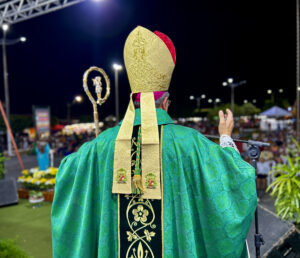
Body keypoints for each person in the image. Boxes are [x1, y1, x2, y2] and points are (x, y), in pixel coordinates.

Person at [51, 26, 257, 258]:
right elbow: (235, 179)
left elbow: (66, 175)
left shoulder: (99, 146)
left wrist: (97, 151)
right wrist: (226, 137)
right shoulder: (189, 143)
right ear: (166, 102)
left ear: (133, 101)